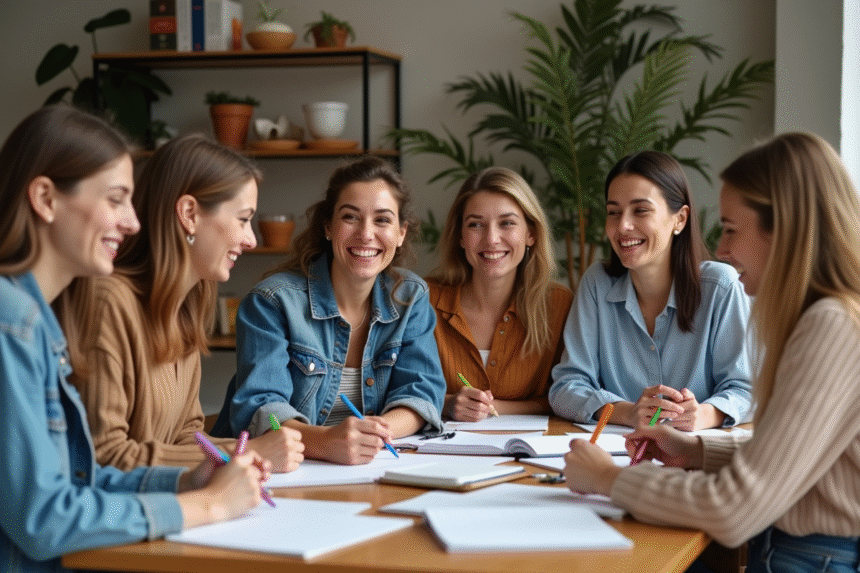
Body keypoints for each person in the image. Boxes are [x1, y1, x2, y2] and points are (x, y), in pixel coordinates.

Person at [565, 133, 860, 571]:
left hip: (809, 558)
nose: (720, 249)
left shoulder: (830, 327)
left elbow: (732, 508)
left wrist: (610, 478)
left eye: (732, 230)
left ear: (787, 230)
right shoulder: (830, 317)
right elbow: (789, 456)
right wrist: (696, 452)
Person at [0, 106, 270, 573]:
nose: (133, 222)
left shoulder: (35, 322)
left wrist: (185, 481)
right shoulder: (13, 322)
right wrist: (207, 506)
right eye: (115, 199)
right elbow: (44, 518)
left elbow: (79, 479)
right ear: (44, 198)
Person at [54, 134, 304, 473]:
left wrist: (246, 452)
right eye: (243, 219)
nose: (250, 239)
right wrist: (242, 453)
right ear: (189, 214)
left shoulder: (186, 306)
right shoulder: (108, 303)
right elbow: (104, 455)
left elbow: (188, 436)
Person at [212, 156, 446, 465]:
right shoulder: (272, 301)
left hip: (368, 467)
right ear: (327, 227)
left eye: (382, 220)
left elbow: (422, 393)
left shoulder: (410, 296)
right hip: (270, 472)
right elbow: (260, 408)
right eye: (350, 217)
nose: (366, 233)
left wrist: (371, 434)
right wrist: (326, 442)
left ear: (401, 233)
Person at [549, 151, 752, 430]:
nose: (622, 226)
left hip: (696, 457)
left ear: (680, 219)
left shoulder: (721, 287)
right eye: (613, 212)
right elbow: (566, 387)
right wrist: (628, 412)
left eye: (640, 210)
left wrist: (704, 415)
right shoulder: (597, 283)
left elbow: (748, 389)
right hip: (616, 455)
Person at [426, 167, 572, 421]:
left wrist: (495, 409)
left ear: (531, 233)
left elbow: (565, 397)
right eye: (475, 225)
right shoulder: (424, 299)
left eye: (507, 223)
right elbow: (397, 390)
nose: (492, 238)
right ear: (460, 236)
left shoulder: (559, 305)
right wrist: (446, 404)